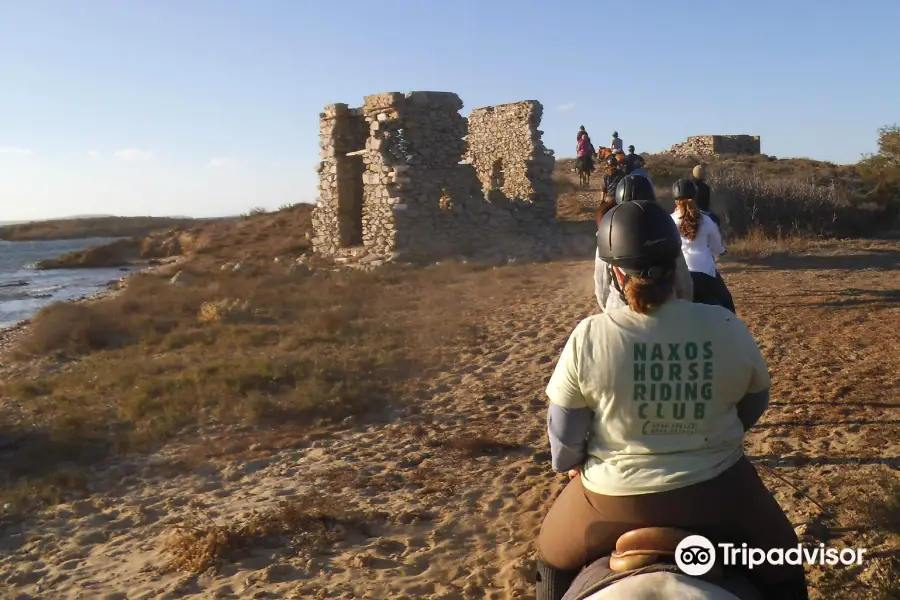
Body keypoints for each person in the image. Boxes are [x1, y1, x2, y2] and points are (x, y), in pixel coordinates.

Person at [534, 199, 809, 600]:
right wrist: (717, 431)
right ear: (675, 259)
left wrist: (571, 464)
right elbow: (754, 401)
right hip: (720, 490)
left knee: (550, 557)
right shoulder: (726, 324)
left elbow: (563, 436)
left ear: (614, 271)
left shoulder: (588, 335)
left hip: (610, 499)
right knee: (784, 562)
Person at [594, 175, 692, 312]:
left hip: (619, 308)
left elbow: (602, 285)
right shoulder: (664, 227)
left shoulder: (610, 232)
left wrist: (610, 312)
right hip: (665, 305)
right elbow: (684, 282)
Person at [671, 178, 735, 313]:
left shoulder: (670, 220)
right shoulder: (707, 220)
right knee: (727, 306)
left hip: (681, 275)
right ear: (695, 196)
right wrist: (719, 251)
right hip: (706, 273)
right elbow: (717, 248)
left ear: (675, 200)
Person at [691, 164, 721, 228]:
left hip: (690, 210)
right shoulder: (706, 187)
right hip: (702, 212)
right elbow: (706, 204)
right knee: (717, 221)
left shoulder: (690, 186)